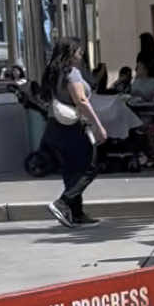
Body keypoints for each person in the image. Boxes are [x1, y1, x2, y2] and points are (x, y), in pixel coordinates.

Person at [40, 37, 108, 230]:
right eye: (78, 51)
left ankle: (76, 213)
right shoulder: (72, 73)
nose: (81, 54)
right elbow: (81, 100)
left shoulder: (53, 72)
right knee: (91, 166)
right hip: (72, 125)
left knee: (71, 169)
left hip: (55, 125)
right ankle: (63, 202)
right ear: (70, 53)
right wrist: (98, 125)